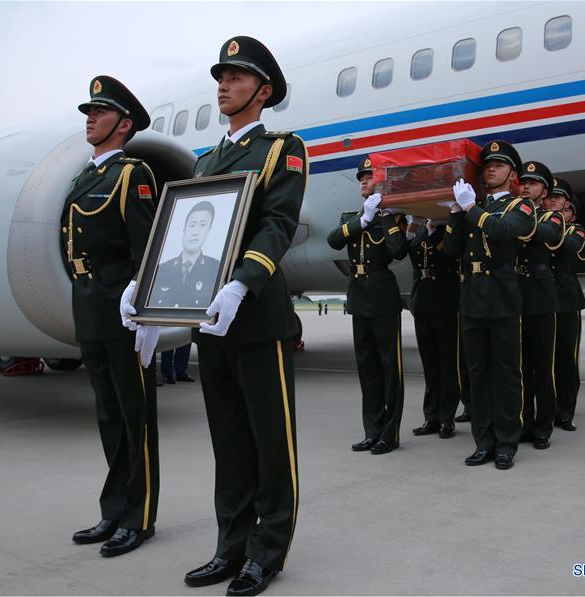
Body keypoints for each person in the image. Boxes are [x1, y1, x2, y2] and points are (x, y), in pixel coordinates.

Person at [178, 37, 308, 597]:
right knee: (228, 441)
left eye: (236, 77)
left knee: (270, 441)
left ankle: (266, 551)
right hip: (210, 318)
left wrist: (242, 282)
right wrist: (155, 289)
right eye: (221, 77)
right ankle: (230, 546)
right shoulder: (205, 162)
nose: (223, 86)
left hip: (254, 314)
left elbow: (278, 224)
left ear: (263, 91)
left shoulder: (282, 149)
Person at [63, 76, 160, 556]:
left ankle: (139, 517)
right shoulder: (84, 177)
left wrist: (146, 311)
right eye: (89, 111)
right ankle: (114, 509)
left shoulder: (132, 174)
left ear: (123, 124)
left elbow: (147, 249)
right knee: (108, 414)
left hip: (122, 309)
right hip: (89, 305)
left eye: (99, 112)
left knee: (134, 415)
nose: (90, 118)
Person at [443, 140, 535, 470]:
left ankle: (507, 443)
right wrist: (455, 213)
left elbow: (503, 231)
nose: (491, 169)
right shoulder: (474, 207)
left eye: (499, 165)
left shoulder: (521, 207)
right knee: (477, 374)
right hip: (472, 297)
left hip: (502, 296)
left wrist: (470, 208)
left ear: (512, 174)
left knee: (506, 373)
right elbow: (451, 250)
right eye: (487, 166)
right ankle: (483, 442)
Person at [327, 157, 408, 455]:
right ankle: (371, 431)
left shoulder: (393, 218)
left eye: (369, 176)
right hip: (359, 298)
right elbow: (334, 241)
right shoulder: (353, 217)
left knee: (390, 369)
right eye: (361, 176)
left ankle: (390, 434)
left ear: (381, 181)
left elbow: (398, 252)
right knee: (368, 369)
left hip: (383, 299)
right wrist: (363, 220)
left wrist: (383, 217)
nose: (363, 180)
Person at [515, 161, 565, 450]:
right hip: (515, 296)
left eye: (532, 183)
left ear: (544, 191)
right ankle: (524, 423)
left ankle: (544, 426)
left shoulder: (552, 216)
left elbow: (547, 234)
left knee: (543, 367)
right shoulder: (513, 213)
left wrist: (517, 222)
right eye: (523, 182)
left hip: (541, 297)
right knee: (521, 367)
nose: (525, 187)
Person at [543, 178, 585, 431]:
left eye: (566, 209)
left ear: (573, 213)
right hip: (541, 299)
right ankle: (546, 409)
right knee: (543, 360)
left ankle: (565, 411)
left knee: (566, 359)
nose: (560, 210)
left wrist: (551, 226)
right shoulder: (540, 225)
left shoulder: (578, 232)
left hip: (566, 301)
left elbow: (573, 247)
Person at [407, 217, 460, 439]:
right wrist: (413, 227)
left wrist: (437, 228)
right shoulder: (421, 232)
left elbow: (449, 254)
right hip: (422, 303)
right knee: (429, 364)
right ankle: (431, 417)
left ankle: (447, 418)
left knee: (448, 365)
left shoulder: (450, 231)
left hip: (445, 303)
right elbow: (411, 256)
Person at [149, 200, 220, 309]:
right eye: (192, 225)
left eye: (202, 225)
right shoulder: (161, 270)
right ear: (184, 228)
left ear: (209, 230)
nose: (195, 232)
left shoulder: (216, 269)